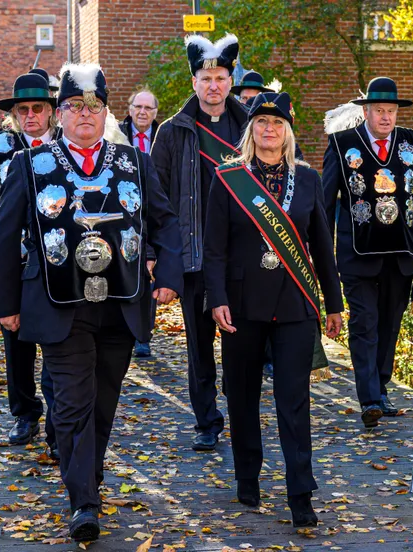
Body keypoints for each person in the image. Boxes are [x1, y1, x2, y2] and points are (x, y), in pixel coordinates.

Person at [0, 63, 183, 542]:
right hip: (58, 305)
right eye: (75, 107)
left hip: (121, 302)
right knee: (73, 404)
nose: (85, 115)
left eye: (94, 107)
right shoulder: (31, 166)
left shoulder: (132, 161)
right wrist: (6, 304)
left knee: (102, 403)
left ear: (106, 112)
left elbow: (166, 221)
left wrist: (170, 276)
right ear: (61, 114)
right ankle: (84, 502)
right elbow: (3, 234)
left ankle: (86, 478)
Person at [204, 92, 343, 527]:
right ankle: (248, 474)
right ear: (251, 130)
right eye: (262, 122)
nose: (269, 129)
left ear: (287, 132)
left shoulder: (308, 179)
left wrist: (333, 303)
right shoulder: (228, 178)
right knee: (241, 396)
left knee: (294, 400)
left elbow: (321, 245)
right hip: (241, 306)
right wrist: (217, 299)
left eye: (277, 123)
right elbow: (214, 250)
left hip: (295, 304)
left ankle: (301, 491)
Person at [150, 33, 247, 452]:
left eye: (221, 77)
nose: (214, 85)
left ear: (230, 80)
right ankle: (207, 419)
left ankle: (240, 412)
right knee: (199, 346)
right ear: (194, 81)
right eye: (206, 77)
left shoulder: (250, 127)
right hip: (192, 257)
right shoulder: (172, 133)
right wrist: (156, 255)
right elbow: (154, 199)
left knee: (241, 342)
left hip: (240, 258)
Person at [322, 77, 413, 428]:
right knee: (365, 324)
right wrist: (321, 249)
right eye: (379, 111)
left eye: (391, 111)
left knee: (389, 325)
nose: (386, 117)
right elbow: (325, 201)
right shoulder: (342, 145)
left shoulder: (412, 142)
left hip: (401, 252)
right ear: (366, 111)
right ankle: (368, 397)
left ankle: (381, 388)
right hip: (358, 254)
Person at [0, 72, 59, 457]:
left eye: (38, 108)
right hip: (13, 258)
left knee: (59, 340)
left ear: (52, 111)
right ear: (15, 114)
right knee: (16, 338)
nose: (31, 116)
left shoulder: (67, 144)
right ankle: (25, 412)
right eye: (23, 110)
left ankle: (60, 420)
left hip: (56, 259)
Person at [120, 87, 161, 357]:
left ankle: (143, 336)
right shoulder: (116, 135)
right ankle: (125, 330)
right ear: (130, 109)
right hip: (123, 212)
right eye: (138, 107)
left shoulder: (164, 136)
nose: (143, 112)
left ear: (155, 113)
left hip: (153, 211)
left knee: (148, 274)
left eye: (148, 108)